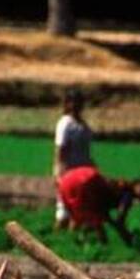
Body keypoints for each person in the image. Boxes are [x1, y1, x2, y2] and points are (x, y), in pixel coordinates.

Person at [56, 165, 140, 245]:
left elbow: (108, 215)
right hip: (88, 188)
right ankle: (97, 245)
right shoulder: (127, 196)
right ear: (137, 184)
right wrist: (126, 236)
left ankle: (70, 241)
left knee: (81, 218)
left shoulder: (120, 185)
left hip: (74, 179)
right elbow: (119, 219)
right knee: (95, 224)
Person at [53, 90, 95, 230]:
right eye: (73, 102)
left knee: (78, 211)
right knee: (63, 211)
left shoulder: (83, 125)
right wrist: (59, 173)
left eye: (79, 102)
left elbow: (86, 152)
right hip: (69, 172)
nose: (77, 105)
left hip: (83, 173)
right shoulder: (65, 124)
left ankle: (72, 241)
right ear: (68, 104)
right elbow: (60, 151)